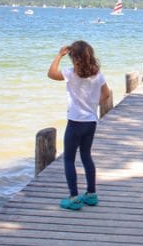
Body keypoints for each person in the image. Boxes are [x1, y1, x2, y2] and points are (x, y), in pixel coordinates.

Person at [47, 41, 111, 211]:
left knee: (69, 159)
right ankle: (91, 194)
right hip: (90, 122)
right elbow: (107, 94)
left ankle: (74, 197)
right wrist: (92, 106)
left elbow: (51, 74)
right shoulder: (98, 75)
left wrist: (59, 55)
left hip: (75, 122)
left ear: (74, 58)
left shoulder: (70, 73)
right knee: (86, 156)